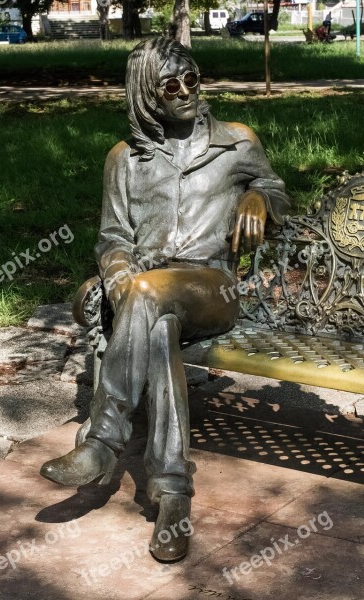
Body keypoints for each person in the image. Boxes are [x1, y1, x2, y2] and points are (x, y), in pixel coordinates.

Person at [40, 37, 290, 562]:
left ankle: (103, 440)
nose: (184, 92)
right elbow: (112, 239)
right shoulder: (124, 161)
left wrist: (259, 197)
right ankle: (172, 493)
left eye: (192, 80)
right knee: (156, 329)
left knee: (150, 298)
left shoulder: (237, 143)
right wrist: (120, 281)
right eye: (168, 85)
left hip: (212, 288)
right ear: (145, 96)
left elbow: (278, 189)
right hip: (146, 292)